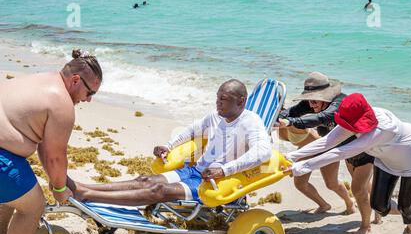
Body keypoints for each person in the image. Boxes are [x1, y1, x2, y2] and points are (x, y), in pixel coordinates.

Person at [70, 79, 272, 206]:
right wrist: (168, 146)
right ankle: (84, 188)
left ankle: (89, 196)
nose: (218, 102)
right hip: (194, 171)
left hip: (214, 182)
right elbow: (191, 130)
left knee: (157, 191)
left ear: (241, 101)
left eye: (224, 99)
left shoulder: (251, 121)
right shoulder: (215, 116)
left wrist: (225, 170)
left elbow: (263, 152)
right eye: (217, 97)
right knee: (144, 180)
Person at [0, 49, 102, 234]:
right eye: (90, 92)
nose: (89, 99)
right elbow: (56, 156)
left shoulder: (42, 80)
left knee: (11, 198)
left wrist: (57, 181)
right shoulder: (62, 103)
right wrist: (58, 189)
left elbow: (45, 150)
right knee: (32, 207)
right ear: (76, 80)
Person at [286, 93, 411, 234]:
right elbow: (327, 142)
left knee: (406, 207)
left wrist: (299, 168)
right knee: (379, 205)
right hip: (387, 160)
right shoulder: (354, 115)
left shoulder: (381, 129)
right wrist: (291, 157)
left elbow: (339, 153)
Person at [276, 72, 358, 215]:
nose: (311, 104)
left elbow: (322, 117)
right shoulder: (312, 102)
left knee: (332, 184)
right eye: (309, 100)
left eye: (314, 101)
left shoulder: (339, 102)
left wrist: (290, 122)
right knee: (300, 183)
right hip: (317, 143)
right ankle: (324, 205)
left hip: (343, 146)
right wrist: (279, 118)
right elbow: (291, 111)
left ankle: (350, 203)